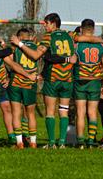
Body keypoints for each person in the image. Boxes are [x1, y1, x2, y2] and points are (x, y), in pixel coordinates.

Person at [11, 13, 76, 149]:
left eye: (46, 23)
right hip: (68, 78)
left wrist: (20, 43)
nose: (44, 26)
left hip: (53, 78)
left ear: (53, 23)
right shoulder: (70, 35)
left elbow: (35, 55)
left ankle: (52, 143)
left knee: (50, 112)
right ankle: (62, 143)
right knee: (63, 111)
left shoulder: (49, 37)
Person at [73, 19, 103, 149]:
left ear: (81, 28)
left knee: (80, 112)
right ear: (93, 29)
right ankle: (91, 141)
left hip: (80, 80)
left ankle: (80, 141)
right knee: (92, 112)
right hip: (95, 81)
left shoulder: (76, 44)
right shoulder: (101, 45)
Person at [7, 28, 39, 149]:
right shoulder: (36, 47)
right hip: (30, 83)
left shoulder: (15, 47)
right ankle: (33, 142)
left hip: (15, 82)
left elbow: (9, 61)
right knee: (30, 113)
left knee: (16, 112)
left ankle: (19, 142)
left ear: (19, 37)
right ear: (30, 37)